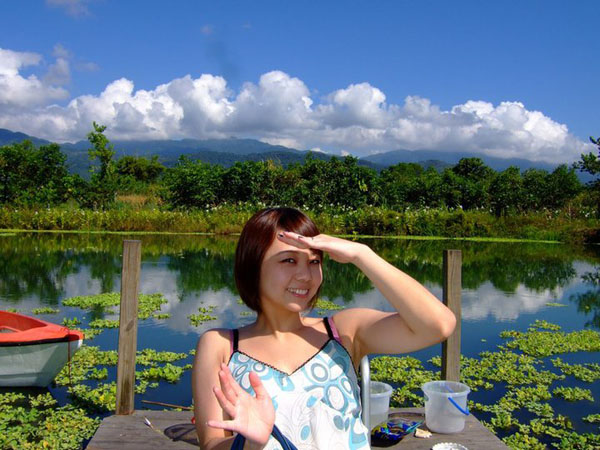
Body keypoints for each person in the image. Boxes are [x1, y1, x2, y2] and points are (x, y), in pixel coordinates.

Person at [192, 207, 456, 450]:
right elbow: (212, 443)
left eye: (314, 262)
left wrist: (362, 255)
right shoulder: (221, 345)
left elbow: (438, 326)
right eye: (289, 260)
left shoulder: (343, 332)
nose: (305, 276)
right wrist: (249, 444)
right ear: (253, 265)